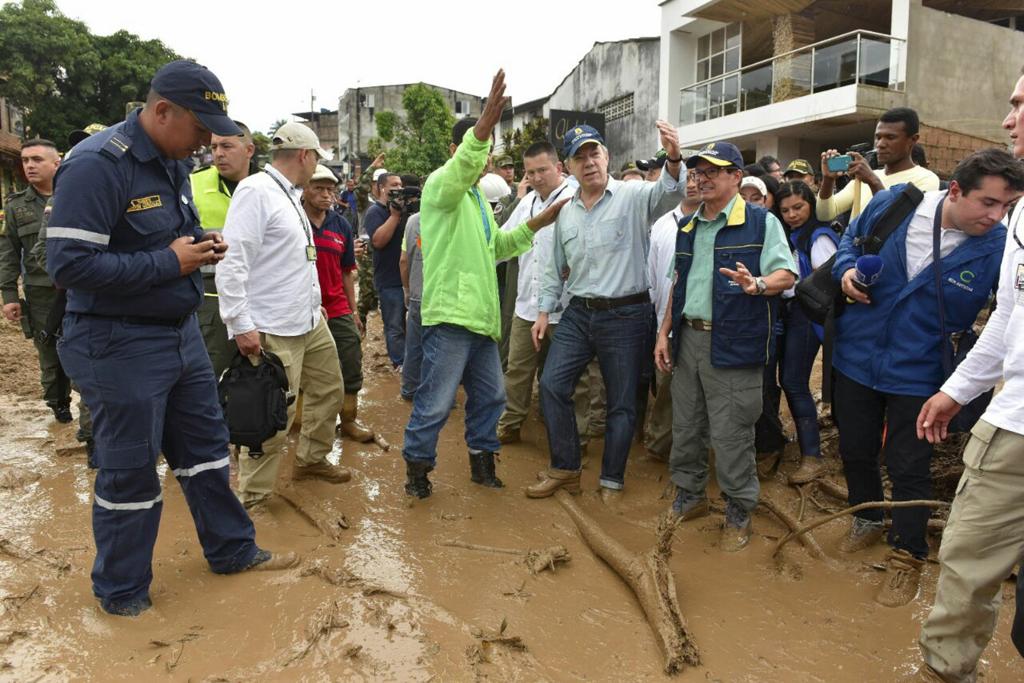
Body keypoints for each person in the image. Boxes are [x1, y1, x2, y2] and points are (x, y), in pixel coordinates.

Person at [45, 60, 297, 616]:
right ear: (162, 111)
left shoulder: (171, 161)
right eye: (201, 128)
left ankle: (232, 551)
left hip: (178, 336)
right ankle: (123, 595)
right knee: (130, 470)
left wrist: (196, 244)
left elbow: (163, 239)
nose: (209, 141)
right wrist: (168, 261)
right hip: (117, 343)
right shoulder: (95, 165)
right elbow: (67, 266)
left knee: (207, 452)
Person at [830, 148, 1021, 607]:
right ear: (954, 190)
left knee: (910, 465)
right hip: (855, 356)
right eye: (989, 204)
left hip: (919, 374)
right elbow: (850, 242)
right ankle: (868, 519)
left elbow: (1006, 319)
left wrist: (964, 381)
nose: (998, 217)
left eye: (1008, 207)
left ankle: (907, 554)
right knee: (856, 449)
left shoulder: (999, 247)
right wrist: (845, 273)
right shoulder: (895, 203)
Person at [401, 69, 567, 499]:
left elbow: (498, 247)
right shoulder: (442, 188)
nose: (487, 159)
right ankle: (417, 472)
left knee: (492, 398)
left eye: (489, 153)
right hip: (451, 318)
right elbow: (465, 164)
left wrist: (538, 221)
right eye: (482, 150)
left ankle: (482, 464)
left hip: (483, 322)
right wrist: (485, 125)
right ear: (458, 151)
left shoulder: (476, 200)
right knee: (436, 404)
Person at [914, 73, 1024, 681]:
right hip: (1013, 427)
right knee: (966, 558)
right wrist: (958, 390)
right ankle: (945, 670)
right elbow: (1008, 317)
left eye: (1020, 105)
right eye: (1011, 102)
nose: (1009, 119)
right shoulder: (1022, 218)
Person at [525, 120, 685, 502]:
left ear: (607, 156)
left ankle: (612, 479)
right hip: (579, 312)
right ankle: (565, 468)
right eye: (579, 157)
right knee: (551, 384)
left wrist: (674, 157)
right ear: (568, 166)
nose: (589, 162)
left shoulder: (633, 196)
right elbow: (554, 265)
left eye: (594, 153)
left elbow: (669, 193)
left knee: (622, 401)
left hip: (627, 314)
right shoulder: (565, 212)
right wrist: (544, 311)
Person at [656, 142, 796, 551]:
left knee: (732, 432)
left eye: (713, 170)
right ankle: (690, 496)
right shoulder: (688, 225)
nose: (702, 177)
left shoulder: (760, 223)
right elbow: (675, 286)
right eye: (698, 171)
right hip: (687, 340)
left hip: (734, 342)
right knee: (686, 425)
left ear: (737, 176)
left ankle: (738, 508)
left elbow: (786, 275)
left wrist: (757, 284)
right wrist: (663, 333)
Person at [217, 121, 349, 509]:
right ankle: (254, 499)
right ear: (305, 156)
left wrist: (314, 302)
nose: (316, 169)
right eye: (316, 160)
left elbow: (291, 259)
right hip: (272, 327)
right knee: (272, 412)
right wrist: (241, 324)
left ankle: (310, 460)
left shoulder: (289, 194)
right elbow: (233, 262)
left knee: (329, 390)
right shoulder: (256, 192)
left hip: (309, 319)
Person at [495, 141, 588, 446]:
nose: (536, 177)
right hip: (526, 305)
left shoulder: (576, 198)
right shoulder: (527, 203)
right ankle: (510, 424)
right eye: (530, 172)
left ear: (558, 168)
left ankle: (573, 435)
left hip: (566, 308)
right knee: (517, 370)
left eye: (542, 170)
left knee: (568, 376)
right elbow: (503, 242)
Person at [1, 139, 76, 424]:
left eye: (36, 160)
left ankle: (91, 416)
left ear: (56, 163)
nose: (29, 166)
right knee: (50, 354)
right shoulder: (17, 206)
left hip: (79, 287)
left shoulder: (76, 194)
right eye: (25, 160)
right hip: (42, 294)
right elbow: (8, 252)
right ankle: (59, 406)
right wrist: (9, 296)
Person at [304, 164, 374, 442]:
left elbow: (347, 272)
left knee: (351, 362)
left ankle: (348, 422)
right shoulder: (293, 221)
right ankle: (299, 426)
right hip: (301, 308)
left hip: (337, 307)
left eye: (330, 190)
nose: (325, 195)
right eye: (318, 188)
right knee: (298, 372)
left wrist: (354, 311)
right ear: (304, 189)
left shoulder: (341, 225)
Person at [775, 181, 838, 483]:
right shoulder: (791, 235)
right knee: (791, 379)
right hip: (793, 313)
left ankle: (812, 457)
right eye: (785, 210)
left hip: (807, 314)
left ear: (811, 204)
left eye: (798, 207)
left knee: (793, 380)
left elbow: (828, 283)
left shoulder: (819, 237)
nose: (791, 214)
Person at [189, 121, 256, 378]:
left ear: (249, 150)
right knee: (213, 377)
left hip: (260, 294)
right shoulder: (194, 184)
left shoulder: (268, 188)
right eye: (214, 146)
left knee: (264, 382)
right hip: (211, 298)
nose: (218, 153)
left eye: (227, 146)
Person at [644, 171, 701, 459]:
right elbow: (653, 277)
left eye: (698, 176)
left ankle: (696, 454)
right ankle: (659, 445)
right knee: (665, 387)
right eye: (687, 178)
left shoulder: (714, 223)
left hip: (701, 325)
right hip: (664, 324)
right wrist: (658, 328)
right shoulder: (662, 225)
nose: (692, 184)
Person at [818, 107, 940, 223]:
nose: (880, 144)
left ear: (913, 139)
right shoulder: (863, 178)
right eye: (878, 137)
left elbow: (898, 222)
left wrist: (873, 181)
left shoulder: (926, 179)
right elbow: (824, 215)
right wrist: (828, 180)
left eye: (890, 137)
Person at [364, 172, 407, 368]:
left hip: (408, 277)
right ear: (382, 188)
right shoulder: (375, 212)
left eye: (401, 184)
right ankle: (399, 364)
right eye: (394, 184)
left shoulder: (406, 209)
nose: (399, 188)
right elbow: (378, 241)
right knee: (394, 325)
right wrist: (395, 216)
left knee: (411, 325)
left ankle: (411, 362)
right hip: (389, 279)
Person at [399, 209, 423, 401]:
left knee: (413, 346)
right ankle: (434, 396)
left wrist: (407, 289)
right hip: (440, 298)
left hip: (416, 294)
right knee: (436, 349)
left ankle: (409, 389)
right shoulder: (452, 218)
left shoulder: (412, 221)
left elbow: (403, 260)